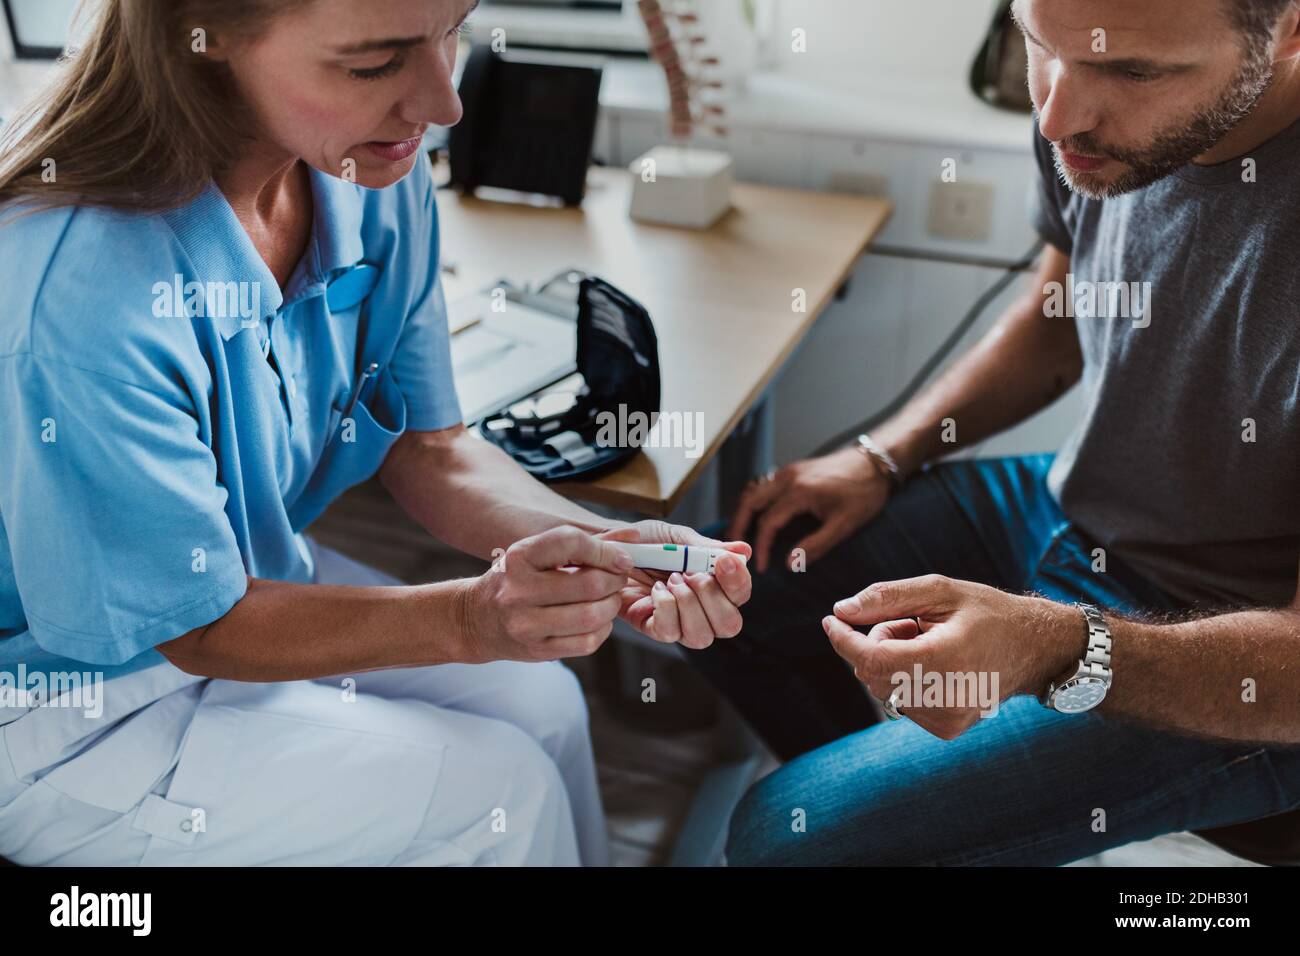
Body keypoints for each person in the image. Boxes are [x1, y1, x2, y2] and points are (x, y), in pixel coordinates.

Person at [0, 0, 751, 866]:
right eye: (372, 64)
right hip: (77, 704)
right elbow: (193, 627)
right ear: (201, 42)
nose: (444, 102)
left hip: (247, 580)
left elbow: (427, 447)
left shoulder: (365, 175)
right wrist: (473, 618)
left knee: (545, 704)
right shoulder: (82, 293)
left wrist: (610, 544)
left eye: (451, 31)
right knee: (500, 792)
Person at [695, 0, 1300, 866]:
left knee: (780, 835)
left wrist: (1054, 646)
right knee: (740, 581)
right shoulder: (1087, 113)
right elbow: (1055, 321)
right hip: (1074, 509)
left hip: (1246, 654)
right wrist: (882, 456)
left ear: (1288, 30)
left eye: (1132, 72)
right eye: (1038, 46)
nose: (1056, 114)